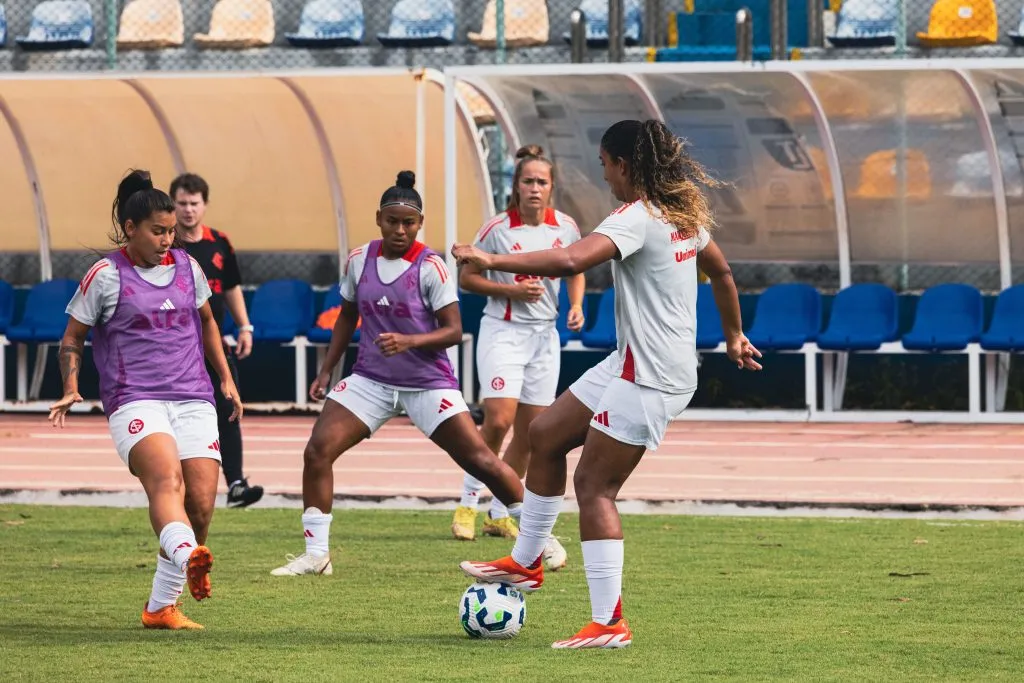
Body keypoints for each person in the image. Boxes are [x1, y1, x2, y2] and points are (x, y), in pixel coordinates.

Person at [454, 120, 762, 649]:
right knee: (545, 435)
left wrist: (492, 259)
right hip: (631, 363)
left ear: (624, 165)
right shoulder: (681, 214)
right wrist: (733, 335)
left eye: (604, 164)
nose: (603, 175)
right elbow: (724, 272)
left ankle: (609, 622)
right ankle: (526, 565)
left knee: (595, 487)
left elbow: (572, 259)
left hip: (652, 377)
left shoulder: (637, 217)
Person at [270, 171, 526, 577]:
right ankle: (317, 555)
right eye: (392, 221)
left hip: (427, 383)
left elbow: (455, 330)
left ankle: (540, 538)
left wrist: (409, 341)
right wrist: (326, 371)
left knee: (480, 459)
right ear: (378, 219)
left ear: (420, 224)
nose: (400, 230)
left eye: (409, 223)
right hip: (371, 380)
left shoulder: (432, 267)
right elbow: (347, 316)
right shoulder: (359, 260)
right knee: (317, 451)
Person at [50, 169, 243, 630]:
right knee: (166, 482)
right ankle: (188, 555)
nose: (167, 239)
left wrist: (226, 379)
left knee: (199, 505)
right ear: (131, 228)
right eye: (158, 231)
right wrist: (71, 384)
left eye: (172, 231)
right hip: (135, 399)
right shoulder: (105, 275)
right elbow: (72, 339)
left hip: (194, 395)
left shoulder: (188, 267)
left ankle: (160, 607)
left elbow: (209, 323)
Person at [451, 145, 584, 575]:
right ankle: (468, 503)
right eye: (527, 181)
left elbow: (577, 268)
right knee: (499, 421)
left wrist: (575, 305)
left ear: (551, 187)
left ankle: (498, 513)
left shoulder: (565, 226)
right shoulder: (496, 228)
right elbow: (468, 276)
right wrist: (510, 291)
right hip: (502, 332)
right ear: (516, 186)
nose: (534, 188)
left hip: (544, 338)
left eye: (542, 182)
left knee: (534, 432)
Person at [170, 173, 263, 508]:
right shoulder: (165, 244)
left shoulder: (219, 242)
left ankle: (236, 483)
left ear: (205, 205)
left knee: (229, 407)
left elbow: (232, 286)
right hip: (175, 349)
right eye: (182, 203)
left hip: (214, 346)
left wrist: (245, 327)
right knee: (176, 415)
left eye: (194, 203)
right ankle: (174, 483)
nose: (188, 210)